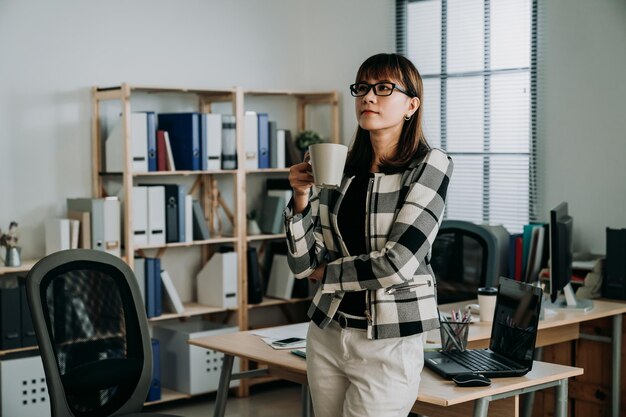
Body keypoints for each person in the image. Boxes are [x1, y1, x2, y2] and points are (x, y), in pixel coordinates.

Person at [284, 52, 453, 417]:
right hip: (327, 334)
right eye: (362, 88)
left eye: (383, 88)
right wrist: (299, 199)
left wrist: (325, 275)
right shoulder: (340, 167)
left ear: (412, 105)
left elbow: (396, 264)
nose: (368, 97)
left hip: (388, 341)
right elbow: (303, 265)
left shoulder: (430, 165)